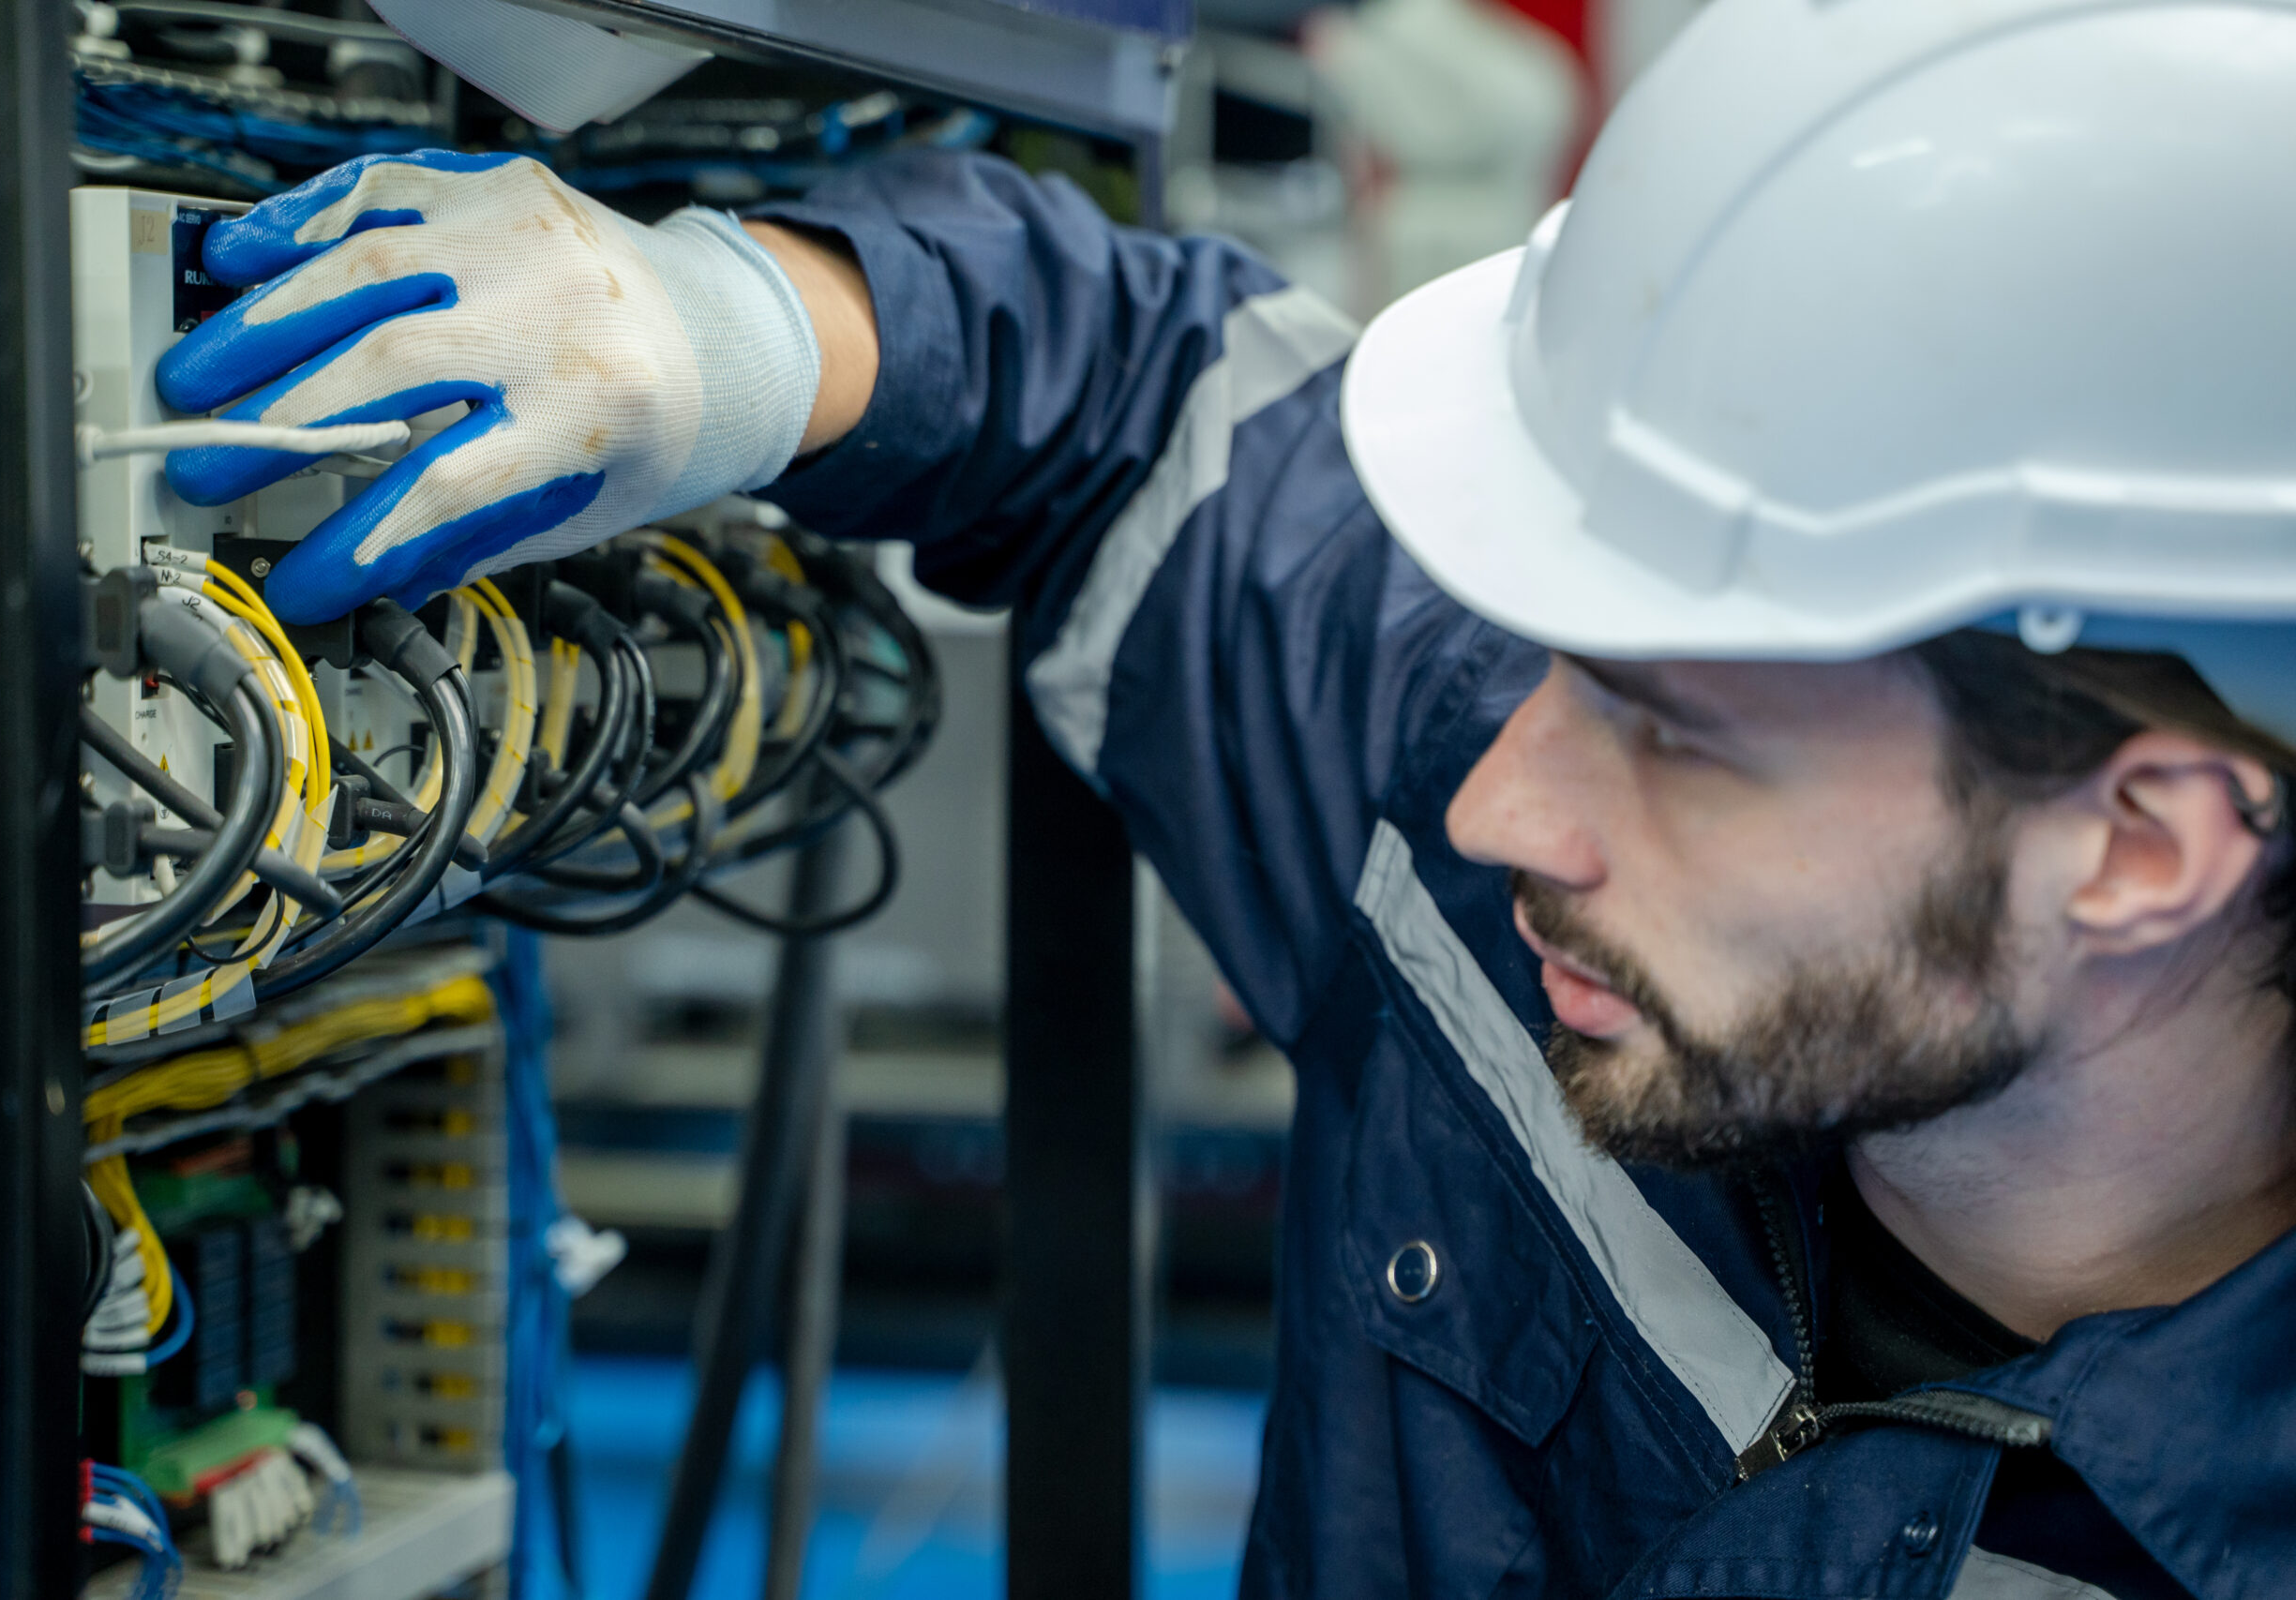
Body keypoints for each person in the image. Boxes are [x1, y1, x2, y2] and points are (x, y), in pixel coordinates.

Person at [153, 0, 2296, 1591]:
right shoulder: (1509, 836)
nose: (1491, 804)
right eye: (1542, 638)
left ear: (2140, 842)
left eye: (1670, 726)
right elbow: (1134, 388)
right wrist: (715, 325)